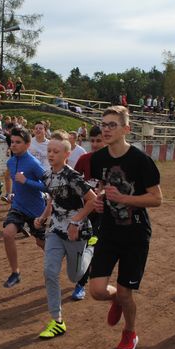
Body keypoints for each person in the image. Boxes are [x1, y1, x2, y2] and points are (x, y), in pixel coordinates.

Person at [87, 105, 162, 349]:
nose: (106, 129)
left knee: (126, 291)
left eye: (112, 125)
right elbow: (102, 187)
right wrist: (99, 199)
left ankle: (130, 332)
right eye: (103, 124)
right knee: (97, 291)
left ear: (126, 129)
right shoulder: (98, 158)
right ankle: (116, 299)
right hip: (108, 230)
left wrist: (123, 199)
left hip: (136, 233)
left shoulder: (141, 161)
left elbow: (156, 199)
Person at [36, 131, 96, 339]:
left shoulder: (73, 177)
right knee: (49, 272)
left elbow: (92, 200)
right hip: (54, 230)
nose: (51, 154)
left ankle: (90, 248)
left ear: (66, 155)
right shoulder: (47, 175)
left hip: (75, 231)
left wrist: (75, 221)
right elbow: (53, 200)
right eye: (49, 150)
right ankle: (57, 321)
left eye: (56, 151)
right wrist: (43, 216)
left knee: (75, 276)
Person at [2, 127, 47, 288]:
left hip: (37, 211)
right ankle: (15, 272)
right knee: (8, 233)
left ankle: (70, 264)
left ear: (28, 145)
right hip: (18, 207)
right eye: (12, 142)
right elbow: (16, 183)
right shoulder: (11, 162)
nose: (13, 145)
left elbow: (48, 186)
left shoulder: (34, 164)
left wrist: (26, 181)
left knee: (43, 244)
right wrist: (11, 194)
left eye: (18, 142)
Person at [72, 125, 105, 300]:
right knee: (79, 246)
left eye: (99, 140)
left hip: (103, 213)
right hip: (85, 212)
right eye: (92, 141)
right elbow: (74, 182)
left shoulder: (112, 161)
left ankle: (80, 284)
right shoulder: (84, 159)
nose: (95, 144)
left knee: (90, 245)